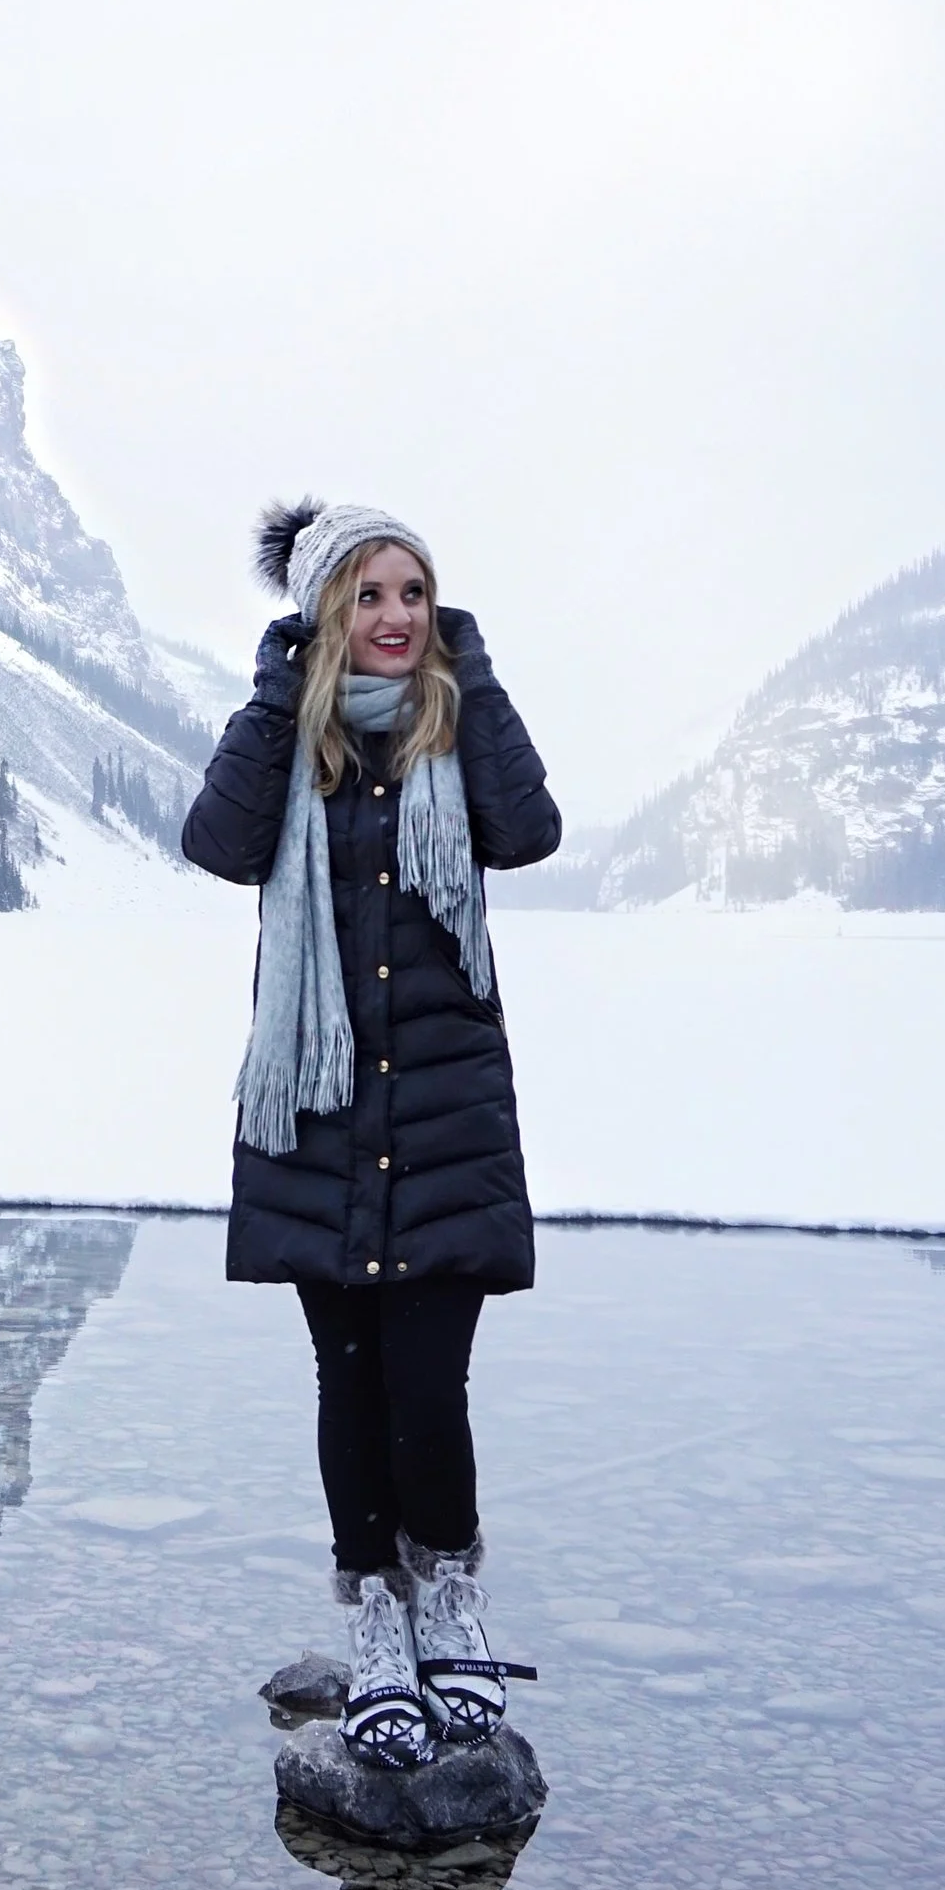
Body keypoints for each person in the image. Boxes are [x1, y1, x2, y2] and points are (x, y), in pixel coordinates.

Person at [181, 501, 562, 1770]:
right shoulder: (294, 746)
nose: (396, 615)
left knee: (428, 1386)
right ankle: (378, 1624)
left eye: (414, 590)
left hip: (445, 1117)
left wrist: (481, 667)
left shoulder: (458, 728)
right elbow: (218, 841)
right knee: (350, 1386)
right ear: (321, 617)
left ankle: (450, 1592)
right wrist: (274, 687)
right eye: (368, 594)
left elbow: (528, 828)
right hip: (323, 1115)